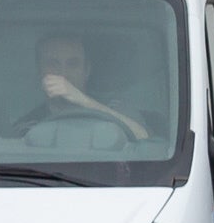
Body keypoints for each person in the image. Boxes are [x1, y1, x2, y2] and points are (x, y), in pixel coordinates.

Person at [11, 32, 151, 144]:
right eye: (53, 64)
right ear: (40, 72)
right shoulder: (28, 126)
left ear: (87, 71)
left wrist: (84, 101)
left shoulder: (116, 108)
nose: (63, 73)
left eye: (73, 64)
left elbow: (145, 140)